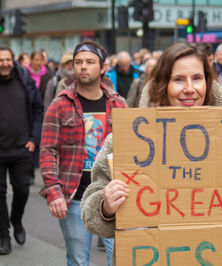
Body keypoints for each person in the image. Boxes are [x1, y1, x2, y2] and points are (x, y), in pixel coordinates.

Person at [80, 43, 222, 260]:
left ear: (209, 84)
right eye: (179, 79)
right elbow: (91, 215)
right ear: (163, 85)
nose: (190, 88)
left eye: (197, 78)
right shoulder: (127, 142)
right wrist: (106, 206)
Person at [40, 40, 128, 266]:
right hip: (75, 197)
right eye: (78, 62)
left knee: (120, 260)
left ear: (103, 68)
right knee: (78, 261)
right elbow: (48, 150)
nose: (83, 67)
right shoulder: (60, 105)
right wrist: (53, 191)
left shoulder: (118, 104)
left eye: (90, 62)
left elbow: (132, 151)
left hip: (113, 197)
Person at [0, 47, 44, 255]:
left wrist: (34, 139)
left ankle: (16, 219)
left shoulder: (24, 81)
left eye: (7, 59)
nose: (4, 63)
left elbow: (38, 109)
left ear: (13, 61)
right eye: (0, 60)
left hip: (22, 149)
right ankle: (3, 236)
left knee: (22, 190)